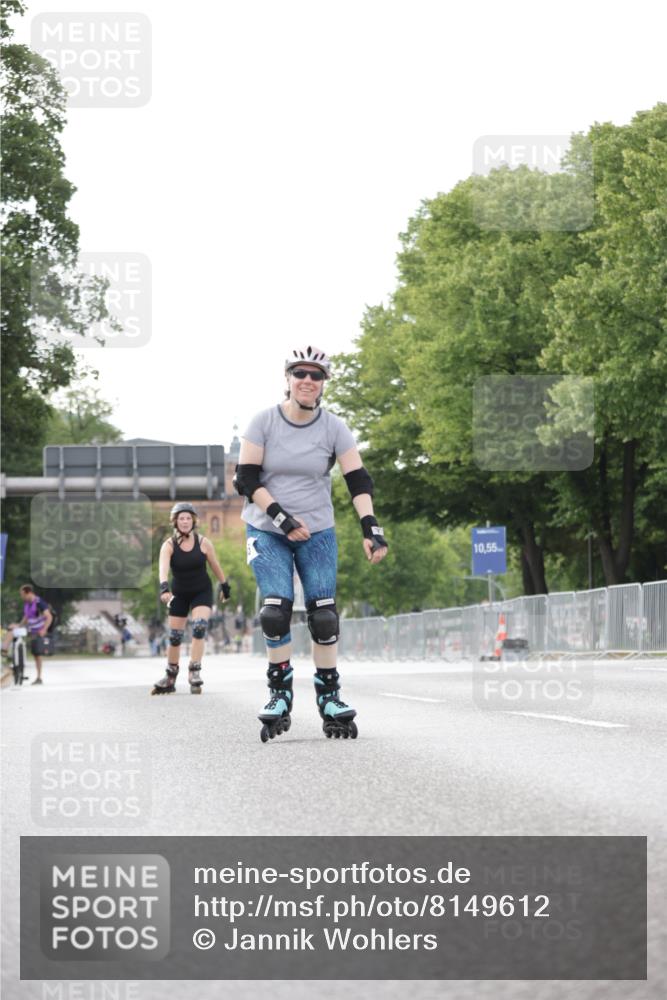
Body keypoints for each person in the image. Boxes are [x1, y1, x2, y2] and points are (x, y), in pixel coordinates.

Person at [234, 345, 388, 742]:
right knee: (274, 611)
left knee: (323, 616)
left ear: (323, 384)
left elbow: (358, 480)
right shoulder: (263, 422)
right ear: (286, 379)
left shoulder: (334, 428)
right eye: (299, 373)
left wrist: (371, 527)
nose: (307, 380)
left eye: (315, 375)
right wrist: (282, 518)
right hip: (267, 530)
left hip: (317, 531)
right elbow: (246, 480)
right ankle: (279, 695)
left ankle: (330, 697)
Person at [151, 502, 231, 694]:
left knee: (199, 627)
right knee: (175, 636)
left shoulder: (204, 543)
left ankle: (194, 671)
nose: (185, 521)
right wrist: (164, 588)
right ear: (175, 522)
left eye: (188, 518)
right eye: (181, 518)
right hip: (179, 593)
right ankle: (170, 676)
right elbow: (163, 569)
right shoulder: (168, 545)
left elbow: (215, 565)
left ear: (193, 521)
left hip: (201, 591)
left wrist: (224, 585)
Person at [8, 584, 53, 685]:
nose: (21, 597)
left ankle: (39, 677)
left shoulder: (39, 602)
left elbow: (49, 616)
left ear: (28, 592)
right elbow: (27, 617)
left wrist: (44, 629)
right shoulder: (27, 603)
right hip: (30, 629)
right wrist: (18, 625)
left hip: (38, 630)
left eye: (22, 594)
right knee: (11, 631)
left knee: (37, 654)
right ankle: (7, 652)